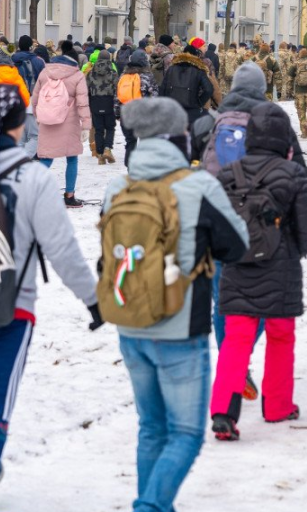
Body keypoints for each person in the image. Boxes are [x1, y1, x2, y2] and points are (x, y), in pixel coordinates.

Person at [0, 84, 103, 512]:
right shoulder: (32, 178)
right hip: (8, 312)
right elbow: (62, 248)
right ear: (20, 124)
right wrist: (93, 301)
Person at [105, 97, 248, 512]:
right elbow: (236, 246)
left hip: (129, 322)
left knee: (151, 429)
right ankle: (149, 507)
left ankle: (153, 503)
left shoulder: (118, 187)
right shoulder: (198, 184)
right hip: (181, 328)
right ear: (177, 136)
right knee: (185, 434)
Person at [210, 102, 307, 440]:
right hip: (280, 267)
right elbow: (305, 225)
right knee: (281, 336)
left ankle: (224, 411)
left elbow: (217, 222)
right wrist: (295, 252)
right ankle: (278, 404)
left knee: (236, 339)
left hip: (238, 265)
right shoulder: (293, 174)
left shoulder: (228, 174)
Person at [32, 40, 90, 207]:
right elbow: (82, 103)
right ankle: (69, 196)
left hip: (47, 122)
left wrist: (40, 116)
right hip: (70, 123)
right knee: (72, 158)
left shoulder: (45, 73)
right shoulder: (77, 75)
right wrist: (85, 125)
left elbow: (35, 99)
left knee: (46, 158)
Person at [115, 48, 159, 167]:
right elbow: (154, 96)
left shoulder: (123, 76)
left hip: (126, 114)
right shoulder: (147, 76)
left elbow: (117, 97)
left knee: (130, 142)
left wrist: (118, 114)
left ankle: (130, 167)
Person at [160, 44, 217, 130]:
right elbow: (209, 89)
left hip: (173, 111)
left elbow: (162, 89)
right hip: (192, 112)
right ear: (195, 55)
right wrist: (199, 103)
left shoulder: (171, 69)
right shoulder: (199, 70)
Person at [86, 48, 119, 165]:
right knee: (110, 127)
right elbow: (117, 89)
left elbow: (86, 89)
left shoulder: (91, 73)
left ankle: (100, 155)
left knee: (98, 129)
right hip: (109, 102)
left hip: (95, 102)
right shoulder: (113, 73)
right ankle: (107, 149)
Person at [292, 48, 307, 139]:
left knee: (301, 112)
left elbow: (290, 76)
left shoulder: (296, 63)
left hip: (299, 91)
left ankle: (304, 132)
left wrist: (290, 90)